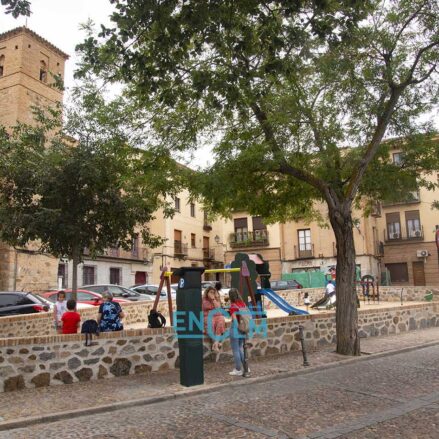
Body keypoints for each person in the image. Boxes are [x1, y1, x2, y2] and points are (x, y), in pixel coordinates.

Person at [228, 288, 248, 376]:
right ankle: (246, 367)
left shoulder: (233, 306)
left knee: (236, 350)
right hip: (243, 328)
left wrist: (236, 329)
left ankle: (238, 369)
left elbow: (235, 320)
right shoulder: (243, 304)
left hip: (236, 329)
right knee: (240, 349)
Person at [202, 286, 226, 351]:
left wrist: (213, 299)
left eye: (213, 292)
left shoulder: (216, 299)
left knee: (221, 320)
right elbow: (206, 306)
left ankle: (215, 343)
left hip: (217, 316)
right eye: (211, 292)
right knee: (211, 323)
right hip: (208, 316)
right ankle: (216, 343)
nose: (212, 293)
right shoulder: (204, 299)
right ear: (207, 292)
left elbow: (218, 308)